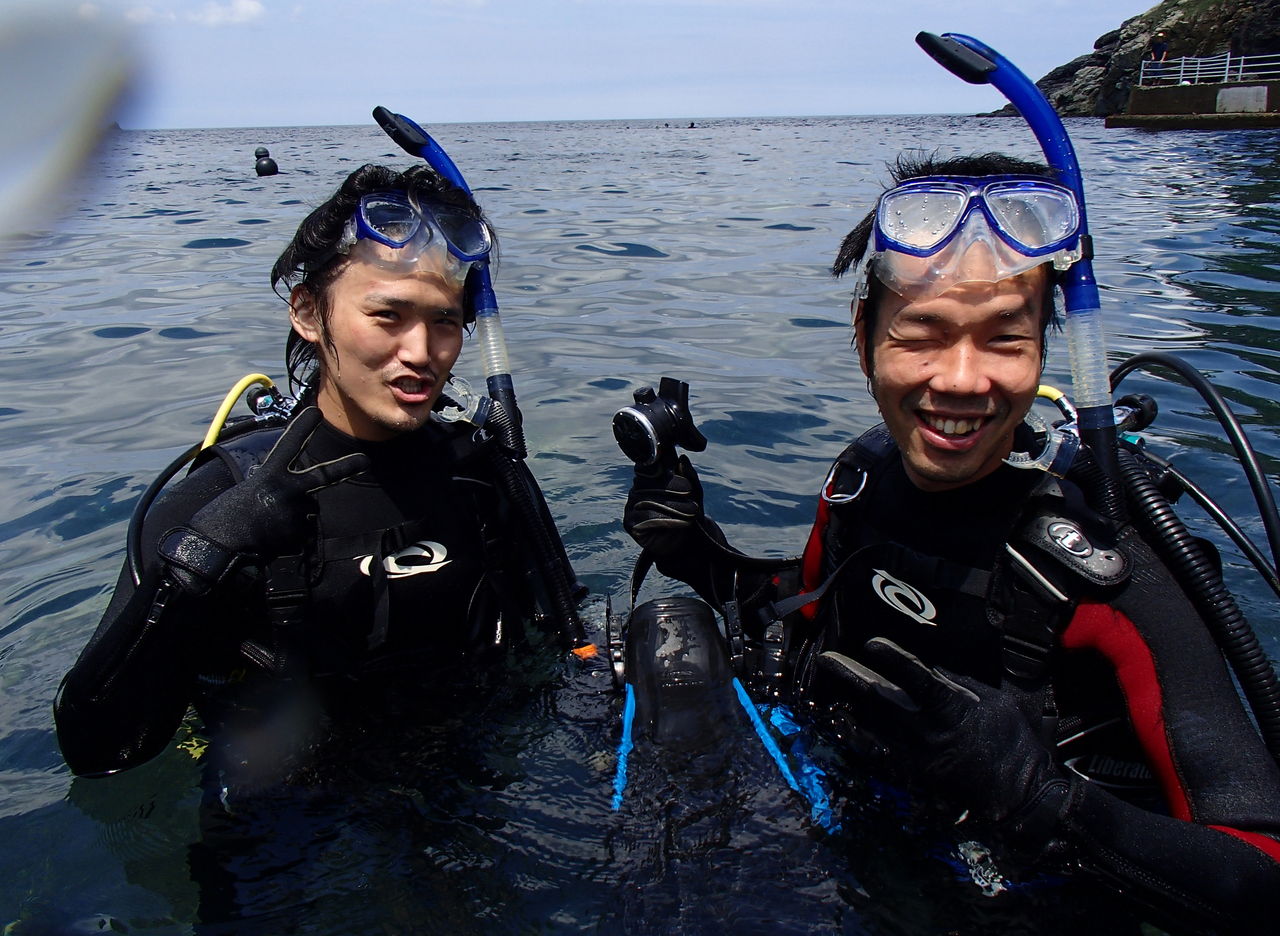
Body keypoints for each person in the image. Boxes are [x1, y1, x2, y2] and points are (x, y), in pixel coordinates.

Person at [623, 152, 1280, 932]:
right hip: (852, 848)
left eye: (1004, 339)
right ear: (864, 336)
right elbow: (807, 622)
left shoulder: (1111, 576)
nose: (962, 380)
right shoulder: (861, 480)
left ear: (1044, 351)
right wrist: (693, 550)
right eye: (923, 333)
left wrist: (1045, 803)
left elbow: (1260, 877)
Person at [55, 161, 557, 786]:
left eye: (445, 321)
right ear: (309, 314)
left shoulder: (483, 477)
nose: (422, 353)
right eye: (388, 316)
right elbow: (96, 750)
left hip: (463, 779)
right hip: (289, 817)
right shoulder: (222, 497)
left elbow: (563, 651)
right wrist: (197, 567)